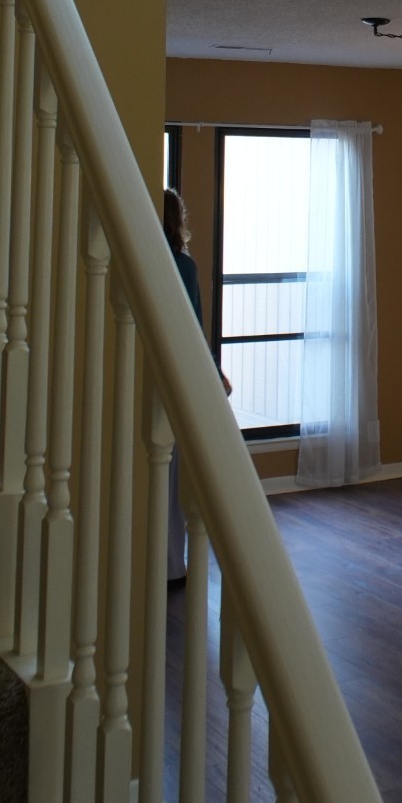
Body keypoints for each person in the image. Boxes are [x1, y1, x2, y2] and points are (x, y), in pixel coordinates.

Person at [163, 186, 231, 581]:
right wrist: (214, 373)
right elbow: (194, 325)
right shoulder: (183, 266)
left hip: (151, 371)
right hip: (179, 377)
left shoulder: (148, 260)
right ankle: (172, 564)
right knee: (173, 475)